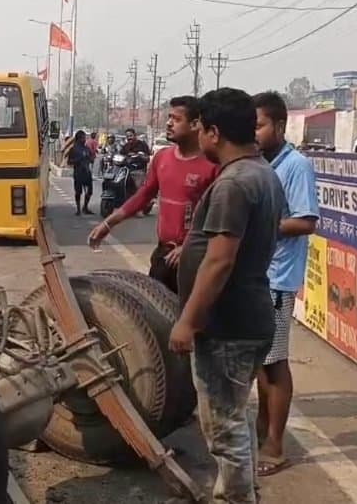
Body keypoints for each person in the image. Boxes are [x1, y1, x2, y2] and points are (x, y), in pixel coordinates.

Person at [168, 87, 285, 504]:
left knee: (224, 428)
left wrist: (188, 320)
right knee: (235, 418)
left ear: (213, 132)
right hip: (249, 316)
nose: (198, 137)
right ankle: (244, 492)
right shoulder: (262, 172)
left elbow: (219, 261)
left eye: (199, 128)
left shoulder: (234, 184)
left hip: (228, 325)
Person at [252, 92, 319, 477]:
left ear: (279, 126)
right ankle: (263, 430)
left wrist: (259, 226)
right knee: (261, 362)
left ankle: (275, 445)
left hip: (277, 279)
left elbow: (306, 221)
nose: (254, 133)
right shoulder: (260, 164)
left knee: (275, 363)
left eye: (259, 125)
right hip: (258, 276)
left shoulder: (296, 165)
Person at [89, 96, 218, 293]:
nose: (168, 123)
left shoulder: (212, 166)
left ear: (194, 124)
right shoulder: (162, 158)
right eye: (169, 117)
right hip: (163, 255)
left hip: (194, 259)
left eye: (176, 119)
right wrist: (108, 223)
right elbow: (144, 195)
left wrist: (188, 248)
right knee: (155, 311)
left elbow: (215, 218)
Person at [66, 129, 95, 215]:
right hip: (78, 173)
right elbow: (69, 162)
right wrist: (79, 159)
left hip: (87, 172)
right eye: (83, 138)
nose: (85, 139)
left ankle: (85, 207)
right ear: (79, 138)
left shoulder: (86, 148)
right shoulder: (73, 149)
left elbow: (91, 158)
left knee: (89, 191)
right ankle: (78, 209)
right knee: (78, 192)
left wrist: (90, 159)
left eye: (85, 138)